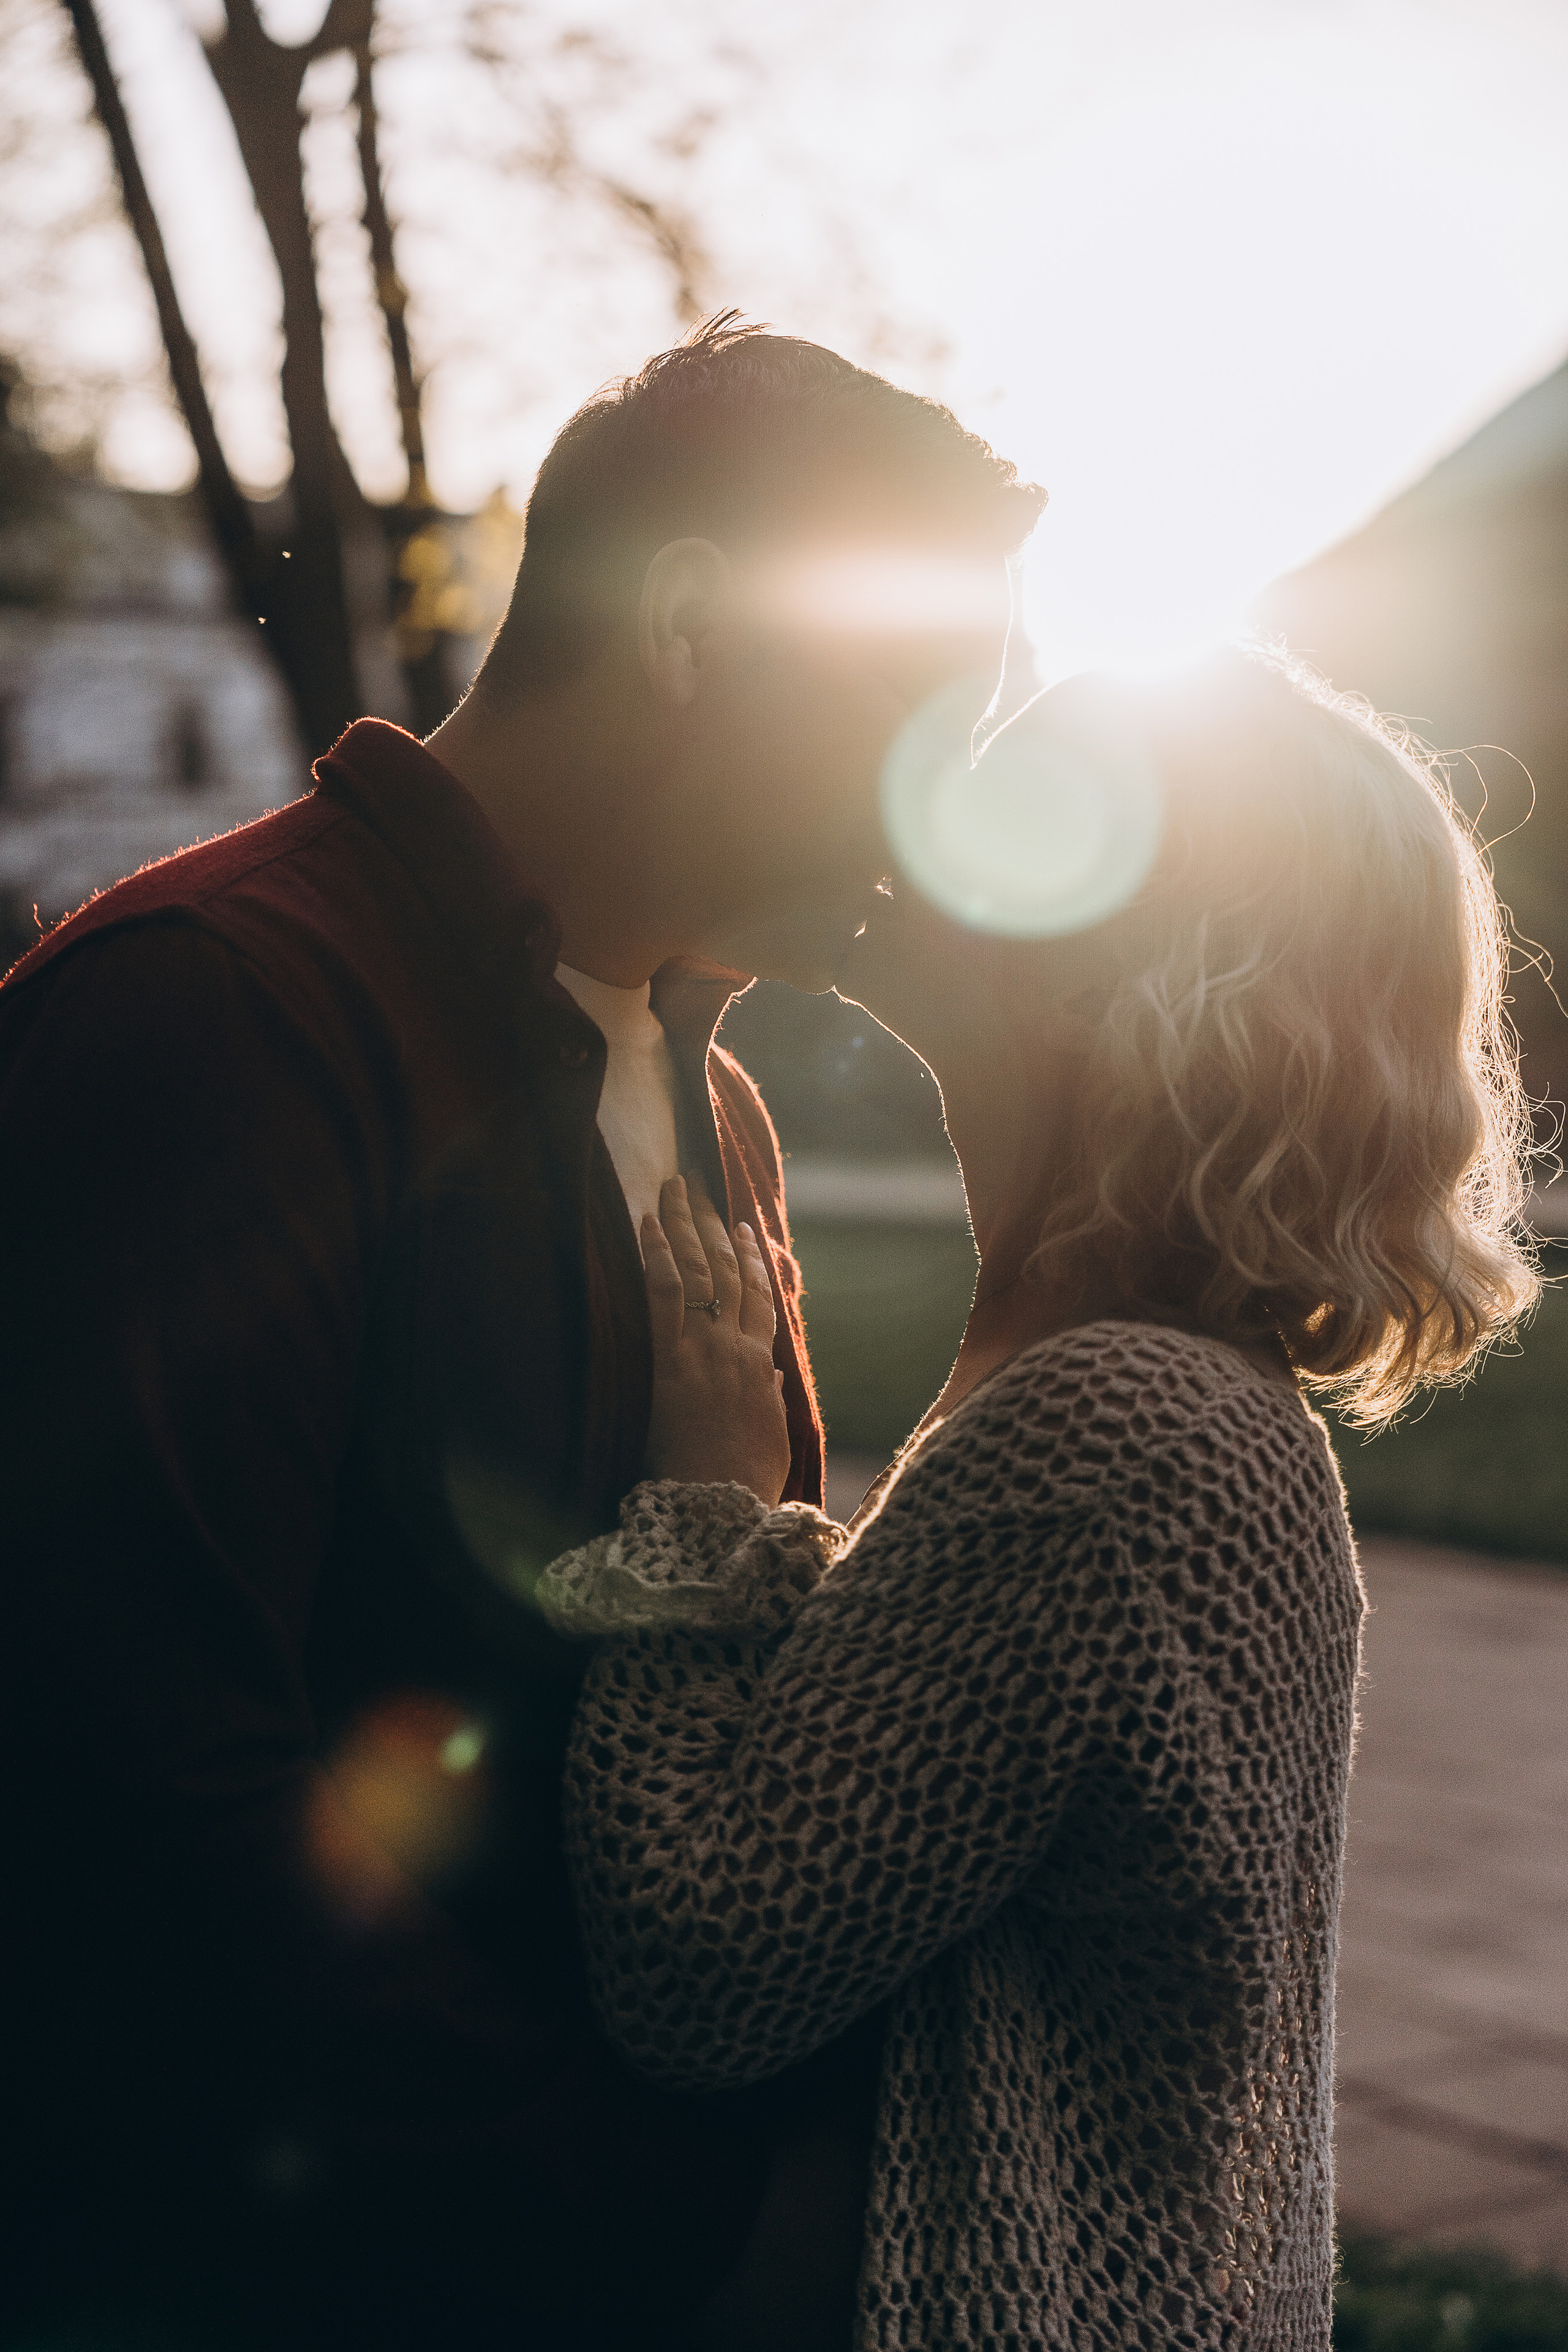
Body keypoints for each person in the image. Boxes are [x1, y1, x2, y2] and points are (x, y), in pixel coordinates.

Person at [0, 315, 1044, 2348]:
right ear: (686, 629)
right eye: (927, 713)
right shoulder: (214, 1017)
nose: (956, 807)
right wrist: (673, 2228)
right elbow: (143, 1803)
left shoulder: (708, 1086)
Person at [531, 645, 1540, 2350]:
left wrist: (699, 1516)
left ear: (1132, 955)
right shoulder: (1167, 1393)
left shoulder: (1117, 1428)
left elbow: (700, 1961)